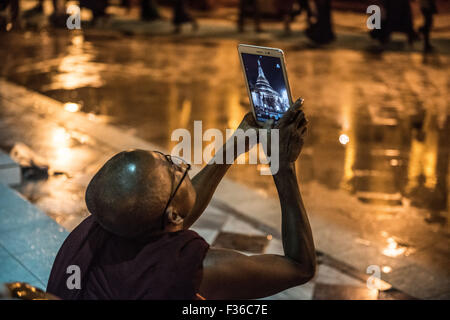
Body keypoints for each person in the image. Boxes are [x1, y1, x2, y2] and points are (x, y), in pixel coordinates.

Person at [46, 99, 316, 300]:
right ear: (173, 215)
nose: (181, 163)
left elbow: (169, 216)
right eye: (175, 170)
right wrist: (282, 165)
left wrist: (236, 143)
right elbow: (299, 267)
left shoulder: (98, 230)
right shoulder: (185, 269)